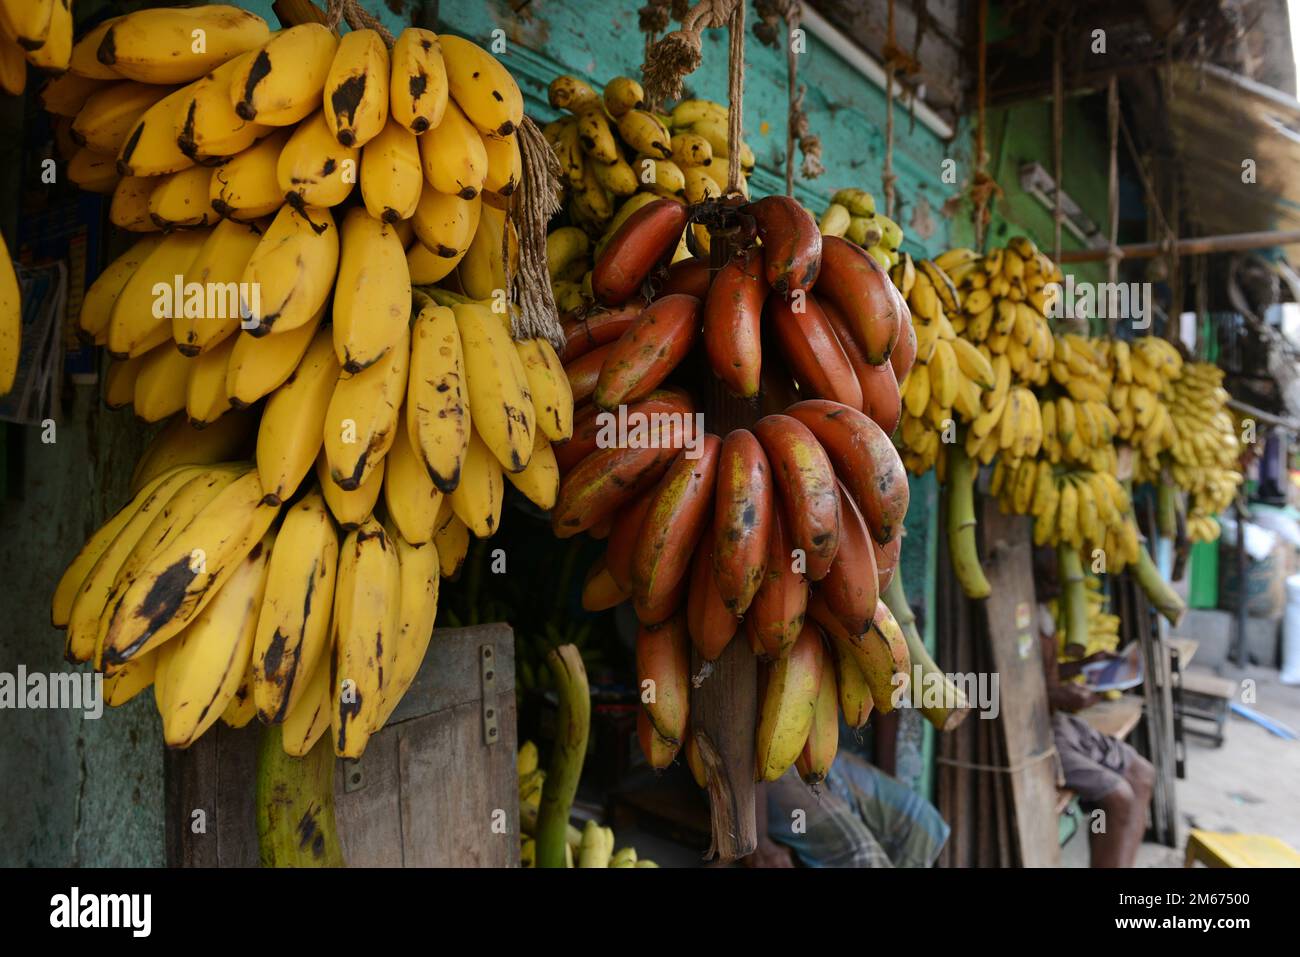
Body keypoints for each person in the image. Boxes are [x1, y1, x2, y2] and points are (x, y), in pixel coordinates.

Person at [1036, 548, 1155, 867]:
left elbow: (1045, 676)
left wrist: (1082, 665)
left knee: (1142, 774)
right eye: (1047, 578)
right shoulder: (1014, 616)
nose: (1056, 586)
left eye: (1057, 578)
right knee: (1118, 797)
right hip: (1034, 733)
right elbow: (1011, 692)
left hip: (1059, 722)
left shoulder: (1043, 614)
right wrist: (1060, 696)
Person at [745, 751, 950, 868]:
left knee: (924, 830)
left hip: (821, 754)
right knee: (865, 860)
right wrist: (760, 841)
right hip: (775, 760)